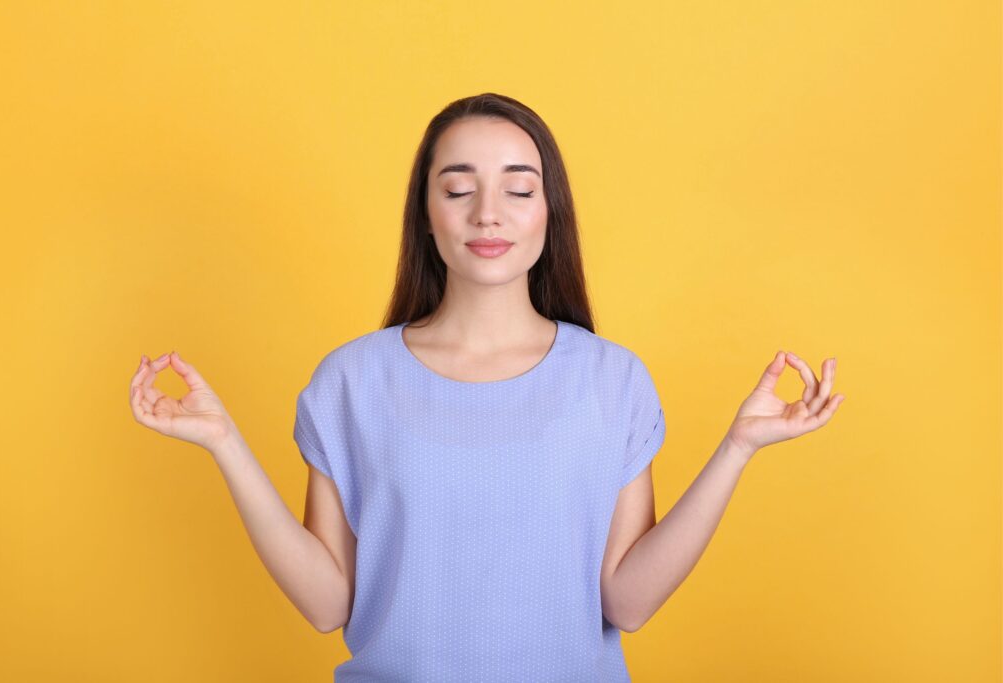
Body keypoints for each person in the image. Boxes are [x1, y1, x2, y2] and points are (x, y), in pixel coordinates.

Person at [128, 92, 844, 682]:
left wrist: (739, 447)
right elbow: (326, 604)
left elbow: (627, 600)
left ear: (548, 212)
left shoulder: (612, 379)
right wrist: (223, 442)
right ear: (427, 215)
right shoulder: (350, 380)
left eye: (519, 189)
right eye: (460, 189)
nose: (488, 213)